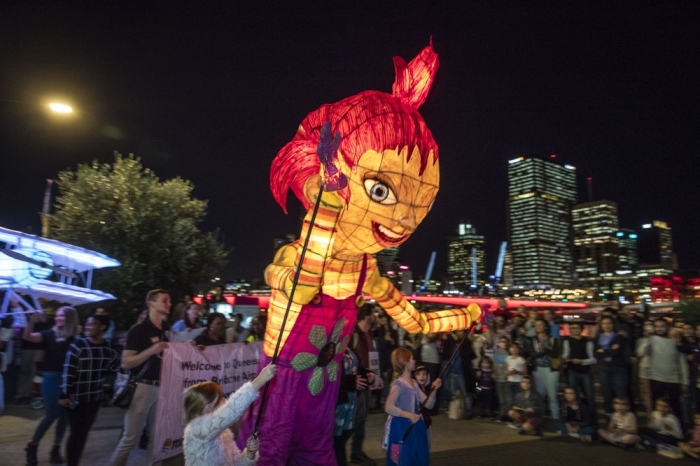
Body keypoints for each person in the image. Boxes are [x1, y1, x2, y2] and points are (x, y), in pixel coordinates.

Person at [110, 289, 171, 466]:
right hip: (142, 388)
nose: (169, 304)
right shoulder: (139, 330)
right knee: (130, 438)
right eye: (165, 300)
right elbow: (126, 363)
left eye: (169, 301)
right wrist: (151, 351)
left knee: (156, 438)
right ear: (151, 303)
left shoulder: (167, 329)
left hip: (162, 388)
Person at [183, 363, 276, 466]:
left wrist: (249, 453)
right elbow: (230, 411)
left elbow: (236, 463)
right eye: (221, 399)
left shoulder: (224, 433)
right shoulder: (195, 430)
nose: (225, 401)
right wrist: (260, 380)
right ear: (208, 407)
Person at [60, 314, 120, 466]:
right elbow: (69, 370)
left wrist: (124, 349)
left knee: (84, 432)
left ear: (102, 327)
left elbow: (116, 366)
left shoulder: (107, 347)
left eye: (92, 324)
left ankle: (75, 461)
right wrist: (64, 393)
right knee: (76, 433)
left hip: (94, 398)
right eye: (86, 324)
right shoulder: (78, 345)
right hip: (75, 398)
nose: (87, 327)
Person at [23, 306, 81, 466]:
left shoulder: (76, 338)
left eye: (61, 316)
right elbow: (27, 336)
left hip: (68, 380)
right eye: (57, 316)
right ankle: (32, 446)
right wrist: (31, 321)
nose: (57, 318)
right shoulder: (49, 334)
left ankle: (56, 449)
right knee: (52, 414)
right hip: (51, 378)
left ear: (70, 318)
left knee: (63, 416)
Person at [383, 348, 441, 466]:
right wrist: (409, 415)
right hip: (401, 427)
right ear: (405, 362)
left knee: (416, 457)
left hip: (416, 427)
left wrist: (434, 389)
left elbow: (428, 404)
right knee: (404, 459)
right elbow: (388, 407)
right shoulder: (398, 383)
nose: (414, 361)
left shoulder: (414, 383)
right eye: (412, 359)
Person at [636, 318, 688, 423]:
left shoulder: (676, 341)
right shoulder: (652, 339)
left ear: (667, 327)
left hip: (674, 379)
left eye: (662, 326)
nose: (660, 329)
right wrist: (647, 338)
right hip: (656, 378)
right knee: (657, 407)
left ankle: (678, 431)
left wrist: (685, 382)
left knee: (675, 406)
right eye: (657, 326)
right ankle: (658, 429)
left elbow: (682, 363)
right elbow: (640, 353)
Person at [350, 305, 378, 466]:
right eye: (374, 314)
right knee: (356, 418)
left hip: (367, 381)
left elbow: (371, 358)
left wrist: (376, 375)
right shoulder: (354, 334)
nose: (376, 317)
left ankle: (357, 451)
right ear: (367, 316)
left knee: (362, 417)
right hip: (357, 382)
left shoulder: (368, 334)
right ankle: (354, 451)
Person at [527, 318, 561, 420]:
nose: (538, 327)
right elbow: (532, 354)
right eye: (536, 325)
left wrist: (544, 350)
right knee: (539, 395)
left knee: (552, 395)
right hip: (538, 369)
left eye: (540, 325)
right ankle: (539, 419)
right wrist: (545, 351)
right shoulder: (532, 340)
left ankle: (556, 418)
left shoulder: (552, 339)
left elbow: (555, 353)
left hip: (551, 369)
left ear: (545, 327)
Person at [334, 347, 363, 466]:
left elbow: (355, 370)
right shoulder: (332, 347)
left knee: (343, 438)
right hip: (337, 405)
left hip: (349, 403)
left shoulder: (348, 348)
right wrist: (351, 381)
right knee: (337, 441)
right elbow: (329, 375)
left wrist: (367, 375)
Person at [594, 316, 628, 416]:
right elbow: (595, 354)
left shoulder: (619, 336)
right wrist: (610, 350)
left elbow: (617, 352)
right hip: (603, 367)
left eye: (609, 323)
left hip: (618, 368)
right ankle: (609, 414)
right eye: (604, 323)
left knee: (620, 392)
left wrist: (603, 351)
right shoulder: (598, 337)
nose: (606, 326)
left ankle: (622, 415)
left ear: (613, 325)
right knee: (606, 392)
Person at [561, 321, 596, 406]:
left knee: (589, 395)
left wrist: (581, 361)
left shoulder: (588, 341)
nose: (574, 330)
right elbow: (565, 354)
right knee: (573, 395)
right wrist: (565, 358)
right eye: (572, 328)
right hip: (572, 370)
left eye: (576, 328)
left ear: (581, 329)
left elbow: (594, 359)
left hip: (585, 370)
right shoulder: (567, 341)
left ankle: (590, 415)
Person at [413, 365, 434, 448]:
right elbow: (429, 405)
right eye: (418, 374)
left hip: (426, 424)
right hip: (417, 425)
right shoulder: (414, 390)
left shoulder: (426, 390)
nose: (422, 376)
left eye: (424, 374)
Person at [505, 341, 528, 417]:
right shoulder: (508, 358)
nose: (514, 349)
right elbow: (506, 369)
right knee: (510, 400)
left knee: (519, 401)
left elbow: (525, 372)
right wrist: (507, 373)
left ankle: (520, 417)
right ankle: (512, 416)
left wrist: (517, 372)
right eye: (512, 347)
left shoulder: (521, 359)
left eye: (516, 347)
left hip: (518, 382)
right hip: (510, 381)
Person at [493, 336, 510, 422]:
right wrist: (495, 372)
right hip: (499, 378)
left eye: (505, 342)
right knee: (501, 398)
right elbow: (495, 364)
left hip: (506, 378)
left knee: (507, 398)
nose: (504, 343)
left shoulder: (508, 353)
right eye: (502, 341)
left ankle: (505, 414)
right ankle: (502, 414)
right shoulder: (496, 353)